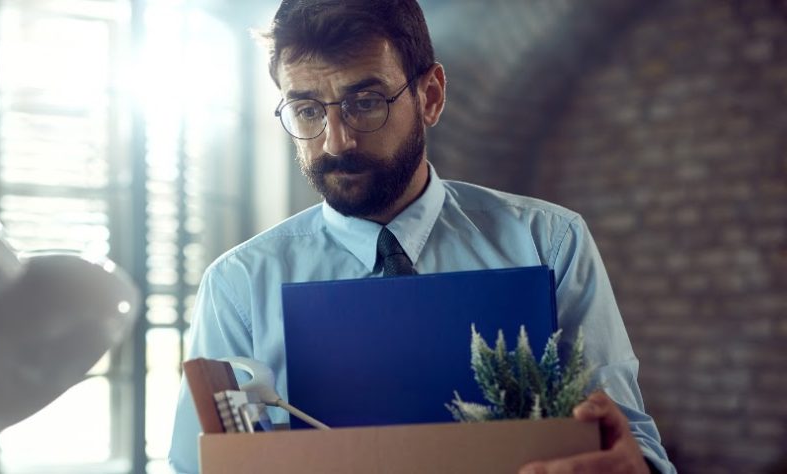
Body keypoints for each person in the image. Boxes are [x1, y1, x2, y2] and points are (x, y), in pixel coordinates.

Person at [168, 1, 675, 472]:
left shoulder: (551, 243)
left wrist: (633, 464)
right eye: (307, 110)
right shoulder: (237, 286)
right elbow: (196, 466)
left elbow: (630, 441)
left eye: (365, 102)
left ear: (430, 96)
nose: (336, 141)